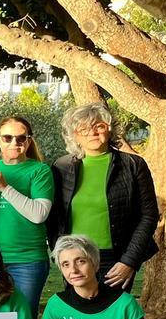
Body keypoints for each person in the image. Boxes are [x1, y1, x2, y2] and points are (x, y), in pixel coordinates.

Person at [49, 104, 159, 291]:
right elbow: (53, 215)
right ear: (75, 135)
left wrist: (129, 261)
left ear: (109, 129)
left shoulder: (133, 165)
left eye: (98, 126)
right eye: (83, 128)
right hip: (74, 255)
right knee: (80, 314)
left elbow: (148, 216)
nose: (92, 132)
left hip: (117, 258)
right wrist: (59, 253)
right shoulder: (61, 167)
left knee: (112, 315)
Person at [0, 116, 53, 319]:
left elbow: (39, 214)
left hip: (27, 261)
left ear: (29, 141)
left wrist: (4, 187)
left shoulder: (39, 170)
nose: (14, 143)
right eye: (7, 137)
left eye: (21, 138)